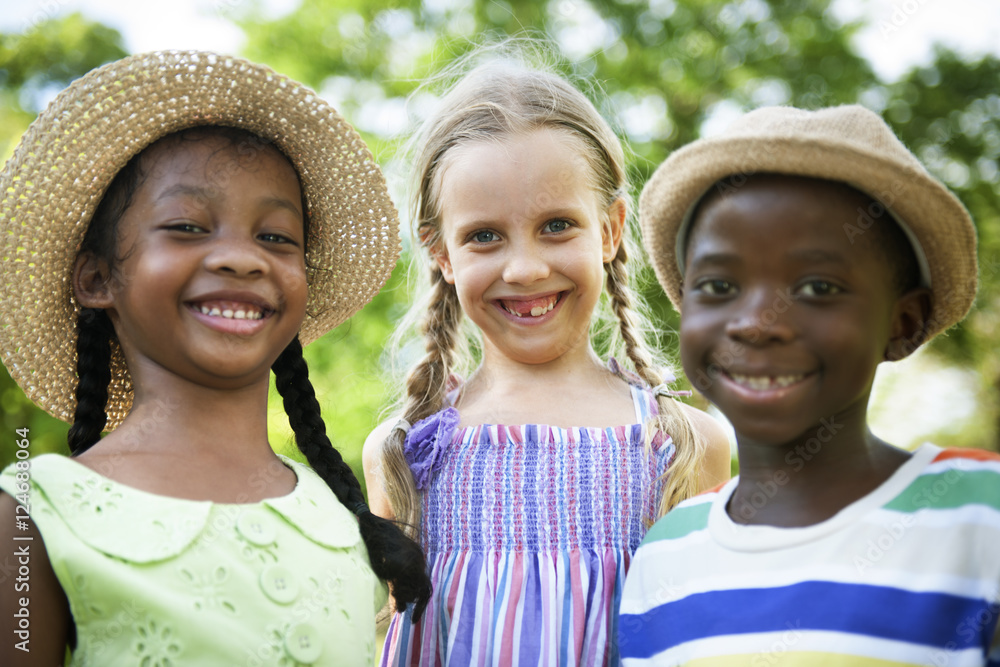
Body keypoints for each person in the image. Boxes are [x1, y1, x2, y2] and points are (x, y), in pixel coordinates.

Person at [0, 50, 430, 666]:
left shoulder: (342, 518)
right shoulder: (34, 510)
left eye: (276, 237)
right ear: (96, 279)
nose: (243, 258)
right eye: (187, 226)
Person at [362, 48, 732, 667]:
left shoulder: (687, 446)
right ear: (441, 253)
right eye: (484, 236)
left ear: (611, 230)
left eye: (558, 225)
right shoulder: (405, 453)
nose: (526, 268)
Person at [619, 104, 1000, 665]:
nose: (756, 321)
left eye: (819, 287)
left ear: (903, 321)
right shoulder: (663, 559)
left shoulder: (980, 516)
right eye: (720, 284)